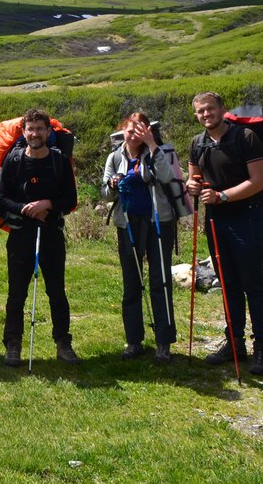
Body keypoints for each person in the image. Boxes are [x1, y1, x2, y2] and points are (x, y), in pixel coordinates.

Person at [185, 92, 263, 375]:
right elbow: (193, 178)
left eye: (210, 109)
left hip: (247, 216)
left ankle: (262, 346)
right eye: (200, 111)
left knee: (253, 283)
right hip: (216, 220)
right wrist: (193, 187)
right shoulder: (197, 143)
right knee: (228, 283)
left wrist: (222, 196)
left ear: (222, 109)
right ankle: (234, 343)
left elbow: (259, 181)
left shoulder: (245, 137)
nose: (205, 114)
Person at [0, 108, 79, 366]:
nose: (35, 133)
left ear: (48, 132)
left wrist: (47, 204)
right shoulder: (14, 161)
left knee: (56, 292)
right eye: (31, 129)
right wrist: (25, 209)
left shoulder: (59, 161)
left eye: (40, 129)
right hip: (21, 234)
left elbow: (70, 199)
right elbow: (0, 198)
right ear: (24, 132)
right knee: (16, 293)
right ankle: (13, 345)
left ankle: (63, 344)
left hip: (51, 233)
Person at [101, 112, 177, 364]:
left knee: (160, 281)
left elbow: (167, 177)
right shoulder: (115, 156)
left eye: (140, 129)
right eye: (130, 128)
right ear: (123, 129)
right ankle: (133, 341)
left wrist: (153, 145)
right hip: (128, 225)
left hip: (159, 222)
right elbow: (105, 195)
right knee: (131, 284)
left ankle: (163, 343)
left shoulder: (158, 151)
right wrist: (112, 185)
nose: (134, 133)